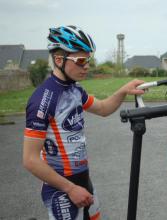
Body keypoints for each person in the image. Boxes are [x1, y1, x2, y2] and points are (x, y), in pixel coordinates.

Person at [23, 25, 144, 220]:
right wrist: (70, 189)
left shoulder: (75, 90)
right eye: (80, 60)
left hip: (83, 181)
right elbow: (30, 159)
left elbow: (103, 108)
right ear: (59, 59)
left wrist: (123, 90)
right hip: (61, 188)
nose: (86, 65)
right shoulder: (43, 99)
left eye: (88, 59)